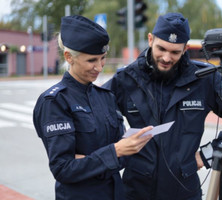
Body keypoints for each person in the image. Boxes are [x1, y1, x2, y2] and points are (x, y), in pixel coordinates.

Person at [103, 12, 222, 200]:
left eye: (175, 52)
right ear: (150, 40)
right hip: (136, 190)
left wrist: (206, 156)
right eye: (161, 49)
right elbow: (96, 115)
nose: (166, 58)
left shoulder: (205, 78)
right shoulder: (126, 78)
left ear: (185, 49)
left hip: (184, 189)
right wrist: (116, 149)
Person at [33, 15, 152, 200]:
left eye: (103, 58)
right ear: (69, 57)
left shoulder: (106, 97)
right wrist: (115, 152)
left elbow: (122, 155)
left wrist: (119, 150)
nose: (99, 67)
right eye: (91, 60)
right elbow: (63, 169)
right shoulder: (55, 101)